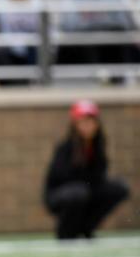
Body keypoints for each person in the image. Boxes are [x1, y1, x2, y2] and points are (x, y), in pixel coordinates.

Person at [44, 100, 129, 239]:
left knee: (118, 188)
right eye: (83, 121)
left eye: (91, 121)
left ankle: (87, 226)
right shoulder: (65, 148)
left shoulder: (98, 146)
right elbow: (61, 177)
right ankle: (66, 231)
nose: (87, 126)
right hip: (61, 196)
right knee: (79, 192)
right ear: (75, 124)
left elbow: (99, 176)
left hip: (87, 191)